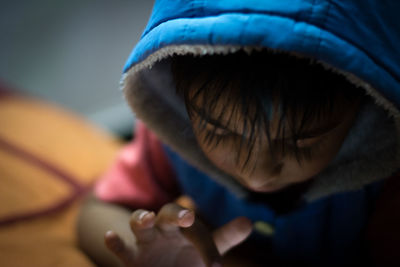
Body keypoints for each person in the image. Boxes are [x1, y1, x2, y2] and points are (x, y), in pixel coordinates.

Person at [77, 0, 400, 266]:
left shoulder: (386, 174)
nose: (257, 175)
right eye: (218, 131)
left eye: (302, 141)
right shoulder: (172, 132)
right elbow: (96, 213)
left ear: (366, 111)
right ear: (181, 100)